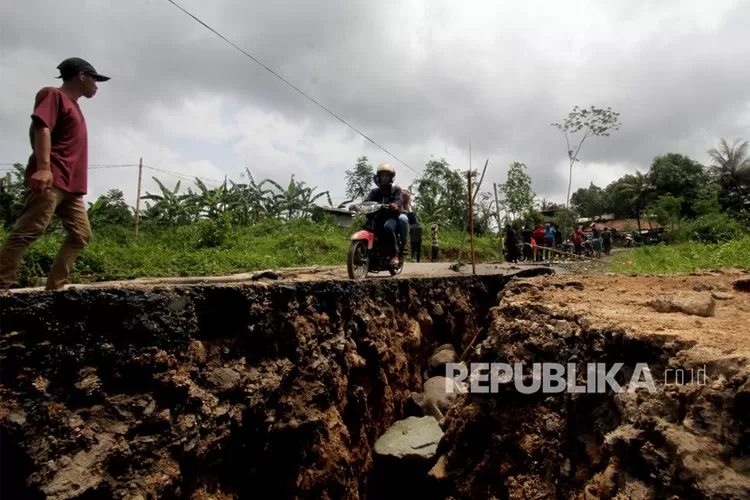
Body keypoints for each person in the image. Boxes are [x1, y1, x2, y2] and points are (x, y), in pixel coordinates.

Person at [0, 57, 110, 292]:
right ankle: (1, 285)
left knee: (81, 235)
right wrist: (43, 167)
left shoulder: (76, 107)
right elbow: (41, 127)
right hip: (52, 177)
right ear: (81, 75)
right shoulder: (53, 95)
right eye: (95, 79)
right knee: (28, 231)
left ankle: (55, 290)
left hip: (72, 186)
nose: (96, 85)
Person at [349, 163, 404, 266]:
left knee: (388, 228)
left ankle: (394, 255)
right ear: (379, 177)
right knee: (367, 228)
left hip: (391, 217)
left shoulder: (395, 190)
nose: (384, 178)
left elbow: (399, 200)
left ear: (391, 177)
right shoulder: (374, 192)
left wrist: (395, 205)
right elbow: (365, 202)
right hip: (376, 217)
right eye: (382, 175)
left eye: (387, 175)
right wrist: (356, 206)